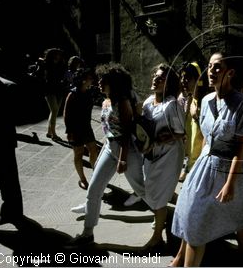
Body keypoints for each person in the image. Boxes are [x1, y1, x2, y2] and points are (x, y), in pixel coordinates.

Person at [170, 52, 243, 267]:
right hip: (205, 166)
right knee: (189, 214)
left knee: (237, 216)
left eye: (218, 67)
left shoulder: (241, 103)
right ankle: (180, 259)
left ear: (230, 73)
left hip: (232, 171)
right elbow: (206, 139)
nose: (211, 71)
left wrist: (230, 184)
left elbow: (241, 148)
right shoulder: (206, 100)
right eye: (210, 66)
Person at [69, 62, 141, 246]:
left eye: (104, 80)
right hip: (110, 146)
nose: (99, 83)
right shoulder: (106, 100)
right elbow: (109, 128)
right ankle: (88, 232)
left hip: (125, 150)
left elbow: (126, 133)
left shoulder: (122, 102)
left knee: (142, 190)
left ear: (114, 83)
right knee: (94, 187)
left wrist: (123, 160)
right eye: (99, 79)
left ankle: (164, 212)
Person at [124, 63, 185, 250]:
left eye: (161, 78)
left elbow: (180, 133)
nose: (156, 79)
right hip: (151, 155)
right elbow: (142, 126)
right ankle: (180, 210)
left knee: (158, 198)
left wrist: (159, 139)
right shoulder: (149, 102)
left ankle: (157, 237)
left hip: (169, 156)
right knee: (153, 192)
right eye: (155, 76)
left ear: (168, 84)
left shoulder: (171, 105)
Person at [0, 46, 26, 229]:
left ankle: (13, 213)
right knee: (5, 179)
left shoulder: (7, 87)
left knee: (7, 180)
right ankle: (12, 212)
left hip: (0, 141)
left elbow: (17, 116)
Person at [63, 68, 99, 190]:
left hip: (86, 127)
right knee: (78, 153)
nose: (92, 80)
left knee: (93, 150)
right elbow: (66, 114)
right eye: (90, 78)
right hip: (75, 129)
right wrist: (69, 131)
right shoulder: (72, 94)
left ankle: (96, 175)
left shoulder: (89, 92)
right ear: (83, 80)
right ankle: (82, 179)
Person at [177, 61, 206, 182]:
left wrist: (196, 116)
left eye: (187, 78)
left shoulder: (205, 102)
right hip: (191, 157)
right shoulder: (190, 99)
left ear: (198, 80)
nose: (183, 81)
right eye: (182, 77)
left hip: (200, 160)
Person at [42, 48, 67, 141]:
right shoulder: (46, 63)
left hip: (59, 89)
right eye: (57, 54)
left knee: (54, 112)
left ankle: (49, 132)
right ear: (52, 55)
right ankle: (53, 133)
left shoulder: (61, 64)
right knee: (54, 109)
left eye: (60, 54)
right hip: (49, 89)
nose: (59, 56)